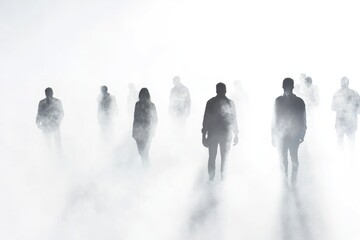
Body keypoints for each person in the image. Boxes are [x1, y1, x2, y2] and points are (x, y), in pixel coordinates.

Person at [272, 78, 306, 187]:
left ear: (283, 86)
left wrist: (273, 134)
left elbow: (275, 119)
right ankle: (290, 182)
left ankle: (287, 182)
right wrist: (302, 133)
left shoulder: (279, 101)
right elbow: (303, 119)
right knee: (291, 159)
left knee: (286, 160)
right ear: (293, 87)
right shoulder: (299, 101)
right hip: (290, 134)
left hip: (285, 134)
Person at [202, 82, 239, 181]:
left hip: (214, 134)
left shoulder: (210, 102)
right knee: (224, 158)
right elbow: (234, 119)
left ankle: (212, 179)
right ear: (225, 91)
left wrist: (203, 136)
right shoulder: (230, 103)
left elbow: (206, 120)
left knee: (213, 157)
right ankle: (222, 179)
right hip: (224, 134)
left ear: (216, 90)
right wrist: (236, 134)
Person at [132, 88, 158, 167]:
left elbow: (135, 118)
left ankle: (146, 169)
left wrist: (134, 132)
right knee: (144, 153)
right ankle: (147, 169)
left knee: (143, 153)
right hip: (146, 132)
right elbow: (155, 120)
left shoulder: (138, 104)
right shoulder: (151, 105)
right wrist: (153, 131)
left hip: (141, 132)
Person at [331, 77, 360, 145]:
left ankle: (344, 155)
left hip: (343, 122)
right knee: (349, 143)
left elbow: (333, 107)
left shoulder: (337, 93)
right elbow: (333, 107)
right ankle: (347, 156)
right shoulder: (354, 93)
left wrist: (343, 109)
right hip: (348, 122)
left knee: (342, 143)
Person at [36, 87, 64, 152]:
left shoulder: (57, 102)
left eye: (50, 93)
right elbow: (39, 113)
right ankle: (48, 156)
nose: (49, 95)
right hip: (45, 125)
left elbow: (61, 113)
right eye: (47, 93)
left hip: (54, 125)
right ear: (45, 94)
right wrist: (38, 123)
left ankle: (58, 156)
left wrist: (57, 122)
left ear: (52, 93)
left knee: (57, 143)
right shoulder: (42, 103)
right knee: (47, 144)